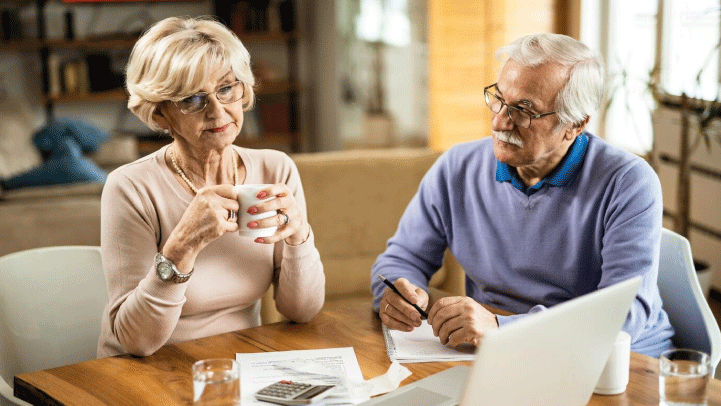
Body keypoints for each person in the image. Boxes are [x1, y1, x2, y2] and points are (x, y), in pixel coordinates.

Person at [371, 33, 674, 358]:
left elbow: (622, 317)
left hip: (615, 362)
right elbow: (400, 258)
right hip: (499, 355)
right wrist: (398, 293)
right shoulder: (457, 168)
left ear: (575, 124)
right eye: (498, 98)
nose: (500, 120)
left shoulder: (628, 182)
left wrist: (503, 329)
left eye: (524, 110)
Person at [97, 16, 324, 358]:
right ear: (160, 115)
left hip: (237, 365)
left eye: (226, 88)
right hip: (145, 371)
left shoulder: (275, 169)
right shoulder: (130, 187)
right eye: (192, 99)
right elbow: (137, 341)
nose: (218, 111)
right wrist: (182, 246)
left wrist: (299, 236)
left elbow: (301, 311)